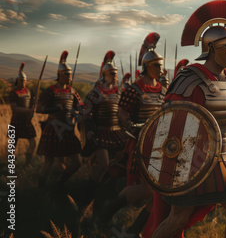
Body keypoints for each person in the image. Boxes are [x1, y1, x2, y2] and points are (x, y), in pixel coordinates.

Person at [147, 0, 226, 238]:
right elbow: (167, 127)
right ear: (212, 48)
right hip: (189, 163)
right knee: (178, 219)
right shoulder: (189, 80)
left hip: (223, 160)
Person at [97, 33, 167, 233]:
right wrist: (130, 126)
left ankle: (126, 223)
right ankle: (114, 215)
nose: (160, 69)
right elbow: (122, 113)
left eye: (160, 66)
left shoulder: (163, 90)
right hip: (141, 143)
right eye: (156, 66)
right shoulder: (134, 90)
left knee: (157, 192)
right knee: (152, 191)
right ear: (146, 67)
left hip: (160, 145)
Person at [81, 51, 128, 204]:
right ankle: (88, 198)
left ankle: (109, 191)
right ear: (105, 74)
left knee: (120, 160)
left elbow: (121, 111)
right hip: (101, 131)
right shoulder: (96, 92)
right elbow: (86, 113)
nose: (115, 76)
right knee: (103, 163)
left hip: (117, 131)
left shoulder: (117, 91)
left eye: (116, 73)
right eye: (112, 73)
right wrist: (89, 130)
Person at [36, 51, 83, 189]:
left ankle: (60, 184)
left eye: (70, 74)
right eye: (67, 74)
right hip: (53, 127)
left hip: (68, 129)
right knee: (49, 162)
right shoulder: (50, 91)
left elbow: (80, 106)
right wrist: (55, 109)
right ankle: (40, 189)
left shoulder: (72, 91)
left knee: (77, 162)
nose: (69, 76)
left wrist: (79, 111)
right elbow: (38, 109)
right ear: (59, 75)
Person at [9, 62, 37, 167]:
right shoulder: (13, 92)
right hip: (16, 120)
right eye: (21, 81)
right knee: (12, 145)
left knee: (33, 143)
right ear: (17, 81)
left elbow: (31, 105)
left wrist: (33, 107)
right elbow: (14, 108)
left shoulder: (29, 92)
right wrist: (28, 111)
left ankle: (27, 164)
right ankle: (11, 164)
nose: (23, 83)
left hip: (26, 121)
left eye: (24, 81)